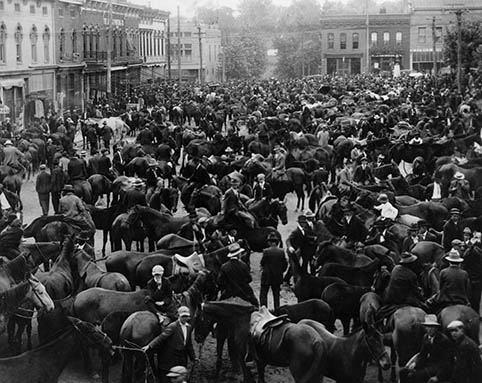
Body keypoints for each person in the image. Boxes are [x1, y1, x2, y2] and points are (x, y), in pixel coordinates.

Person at [142, 306, 196, 383]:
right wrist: (149, 346)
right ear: (179, 316)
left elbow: (189, 344)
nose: (185, 318)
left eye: (186, 316)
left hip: (181, 358)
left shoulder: (189, 327)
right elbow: (161, 337)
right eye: (183, 316)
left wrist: (193, 357)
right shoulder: (173, 326)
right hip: (170, 358)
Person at [399, 314, 453, 383]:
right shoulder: (426, 337)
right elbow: (422, 355)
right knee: (402, 372)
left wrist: (438, 377)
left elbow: (446, 362)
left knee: (413, 376)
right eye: (427, 327)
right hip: (427, 365)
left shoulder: (443, 340)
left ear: (436, 328)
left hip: (437, 368)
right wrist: (415, 364)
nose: (429, 329)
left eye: (432, 327)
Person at [259, 233, 287, 309]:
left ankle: (264, 310)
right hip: (277, 277)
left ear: (269, 242)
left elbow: (262, 263)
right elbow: (285, 265)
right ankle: (277, 311)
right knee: (276, 295)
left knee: (263, 295)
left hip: (267, 277)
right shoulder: (281, 251)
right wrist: (280, 272)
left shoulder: (266, 251)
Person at [462, 231, 482, 314]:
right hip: (476, 278)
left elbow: (465, 262)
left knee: (470, 298)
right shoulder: (477, 251)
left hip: (472, 278)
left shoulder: (470, 251)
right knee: (475, 299)